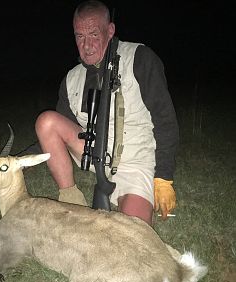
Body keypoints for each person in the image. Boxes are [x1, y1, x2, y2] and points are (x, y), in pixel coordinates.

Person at [34, 0, 179, 226]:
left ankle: (132, 196)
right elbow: (61, 131)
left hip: (134, 162)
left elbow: (165, 120)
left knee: (133, 234)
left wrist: (163, 177)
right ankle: (71, 196)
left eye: (93, 34)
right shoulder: (71, 78)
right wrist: (17, 159)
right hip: (93, 155)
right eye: (79, 36)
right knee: (46, 122)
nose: (87, 45)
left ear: (110, 31)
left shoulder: (140, 58)